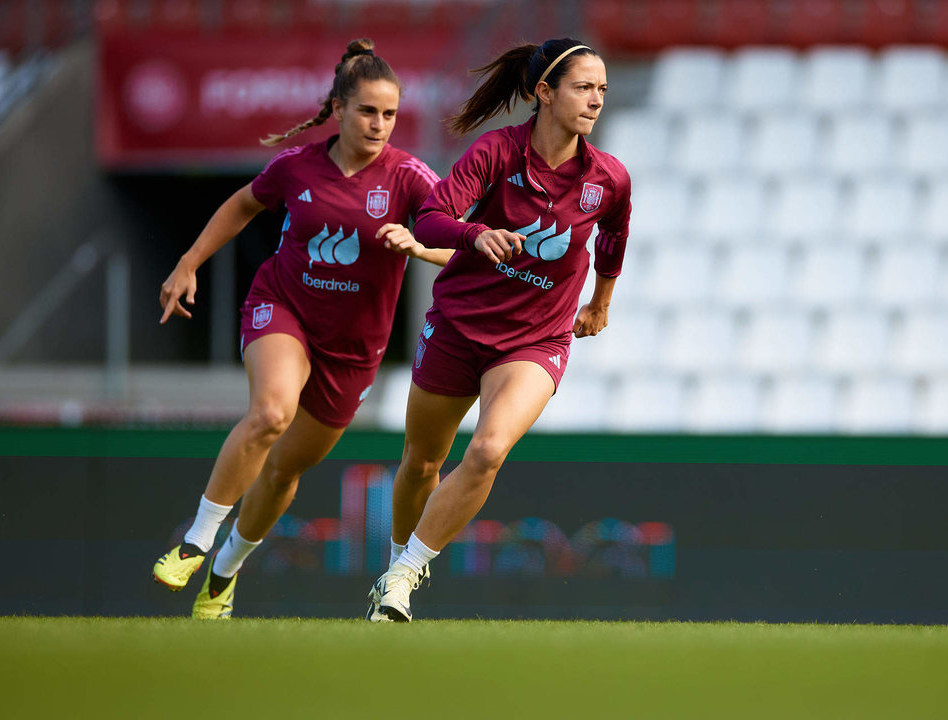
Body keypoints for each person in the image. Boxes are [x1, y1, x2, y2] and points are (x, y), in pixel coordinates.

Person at [151, 38, 452, 619]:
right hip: (282, 307)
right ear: (338, 108)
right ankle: (196, 537)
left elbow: (459, 245)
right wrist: (189, 263)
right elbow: (242, 204)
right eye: (367, 111)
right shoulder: (296, 166)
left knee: (286, 468)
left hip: (353, 350)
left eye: (389, 114)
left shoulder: (411, 179)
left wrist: (417, 246)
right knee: (270, 413)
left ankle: (224, 572)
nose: (379, 124)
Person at [366, 37, 631, 622]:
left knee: (486, 450)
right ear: (544, 92)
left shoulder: (609, 178)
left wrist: (601, 300)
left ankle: (404, 578)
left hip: (537, 340)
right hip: (460, 326)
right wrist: (473, 235)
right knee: (421, 463)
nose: (596, 101)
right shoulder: (495, 153)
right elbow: (431, 217)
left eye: (603, 90)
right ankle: (393, 564)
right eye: (584, 88)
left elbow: (614, 237)